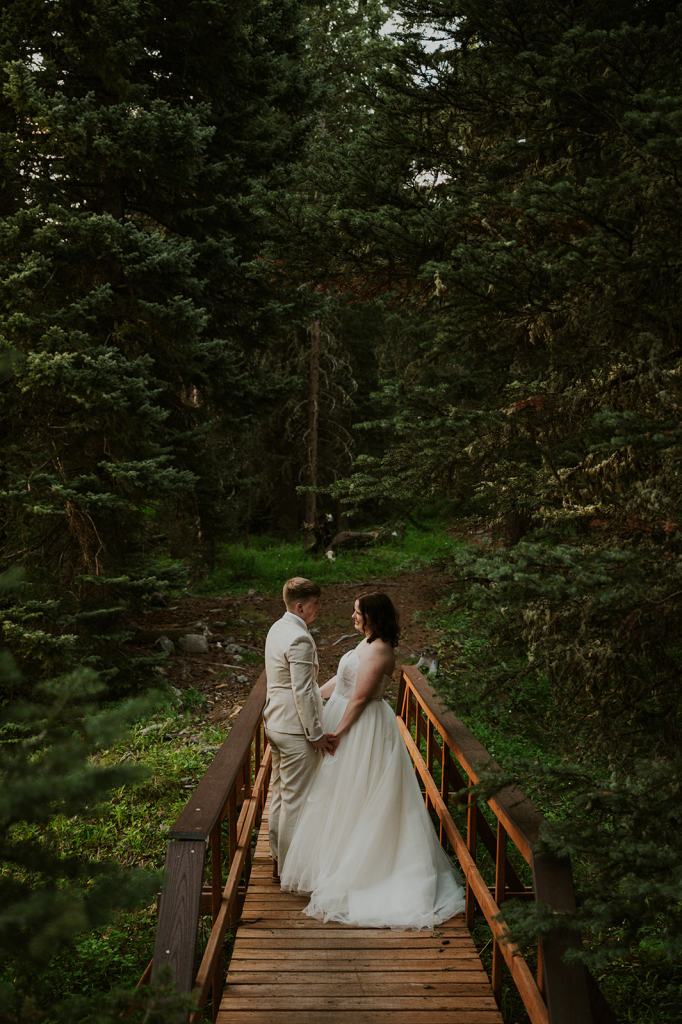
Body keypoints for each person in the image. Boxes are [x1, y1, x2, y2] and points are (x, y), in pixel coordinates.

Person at [280, 592, 465, 928]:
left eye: (357, 612)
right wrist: (312, 699)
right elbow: (341, 682)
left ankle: (365, 870)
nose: (352, 617)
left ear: (372, 617)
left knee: (363, 793)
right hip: (345, 717)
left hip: (363, 728)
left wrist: (338, 731)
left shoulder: (380, 650)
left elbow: (362, 696)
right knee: (341, 795)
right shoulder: (366, 642)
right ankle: (333, 864)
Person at [263, 577, 337, 877]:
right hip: (295, 730)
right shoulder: (299, 639)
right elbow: (304, 691)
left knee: (281, 794)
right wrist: (316, 733)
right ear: (300, 606)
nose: (318, 609)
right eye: (316, 604)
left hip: (275, 723)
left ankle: (279, 859)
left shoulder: (277, 628)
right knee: (296, 800)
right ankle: (291, 869)